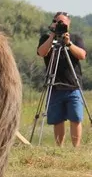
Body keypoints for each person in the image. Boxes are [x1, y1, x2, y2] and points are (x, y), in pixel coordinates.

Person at [36, 12, 87, 146]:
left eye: (63, 23)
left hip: (73, 86)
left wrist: (68, 44)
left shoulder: (75, 38)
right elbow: (41, 53)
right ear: (53, 23)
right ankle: (60, 148)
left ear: (69, 23)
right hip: (54, 86)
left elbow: (82, 55)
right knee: (57, 119)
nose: (61, 25)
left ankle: (75, 149)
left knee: (75, 118)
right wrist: (52, 36)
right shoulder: (46, 38)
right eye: (58, 22)